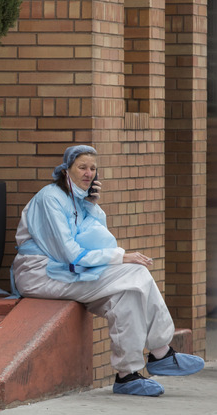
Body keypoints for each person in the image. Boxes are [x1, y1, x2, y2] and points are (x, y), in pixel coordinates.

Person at [11, 144, 204, 397]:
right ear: (66, 169)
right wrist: (121, 257)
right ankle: (161, 352)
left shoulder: (79, 200)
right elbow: (69, 253)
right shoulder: (50, 198)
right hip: (40, 274)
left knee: (128, 295)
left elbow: (97, 238)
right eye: (82, 167)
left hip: (67, 272)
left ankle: (127, 376)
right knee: (136, 273)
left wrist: (92, 205)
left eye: (93, 168)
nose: (88, 173)